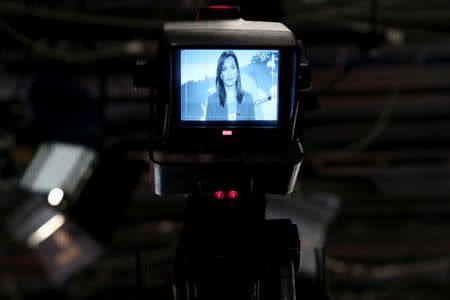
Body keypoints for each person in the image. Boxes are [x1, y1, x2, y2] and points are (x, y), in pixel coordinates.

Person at [206, 50, 255, 121]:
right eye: (224, 69)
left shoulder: (248, 98)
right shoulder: (212, 100)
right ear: (221, 75)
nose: (229, 74)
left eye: (232, 68)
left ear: (237, 72)